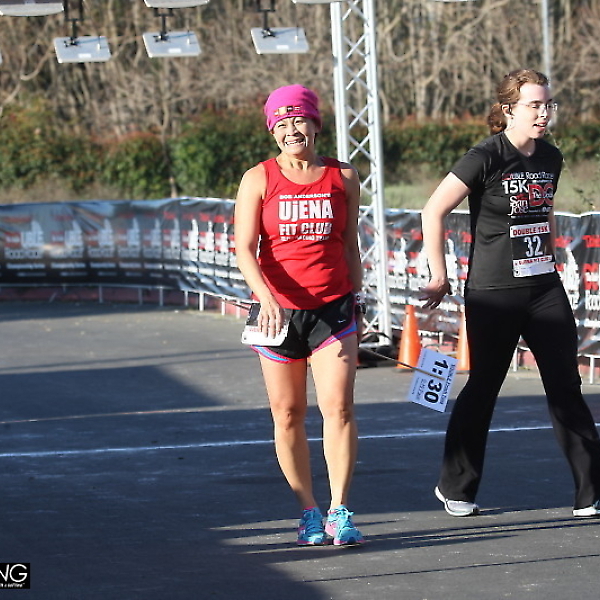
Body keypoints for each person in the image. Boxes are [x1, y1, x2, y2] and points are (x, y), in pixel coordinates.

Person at [420, 68, 600, 518]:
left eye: (548, 105)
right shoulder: (485, 156)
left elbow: (545, 210)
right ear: (508, 110)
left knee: (566, 384)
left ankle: (590, 493)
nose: (543, 114)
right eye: (534, 105)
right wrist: (439, 274)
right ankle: (456, 487)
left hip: (543, 288)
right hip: (494, 291)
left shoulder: (551, 157)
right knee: (484, 386)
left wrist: (554, 260)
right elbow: (433, 210)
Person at [234, 84, 366, 546]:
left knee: (339, 407)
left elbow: (349, 244)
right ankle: (308, 511)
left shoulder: (344, 176)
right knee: (288, 414)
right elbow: (244, 249)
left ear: (315, 124)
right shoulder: (258, 178)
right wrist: (266, 297)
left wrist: (358, 300)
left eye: (300, 120)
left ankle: (339, 511)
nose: (292, 130)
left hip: (333, 308)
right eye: (282, 123)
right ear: (273, 131)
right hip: (277, 315)